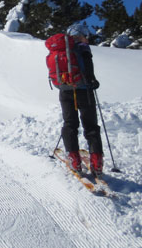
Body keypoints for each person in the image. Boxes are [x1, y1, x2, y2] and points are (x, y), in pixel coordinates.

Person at [60, 24, 104, 175]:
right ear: (80, 35)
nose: (87, 38)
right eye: (85, 35)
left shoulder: (62, 49)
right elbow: (88, 70)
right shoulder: (83, 48)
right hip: (84, 92)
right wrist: (93, 81)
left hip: (65, 91)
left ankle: (74, 160)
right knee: (91, 126)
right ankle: (97, 162)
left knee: (70, 124)